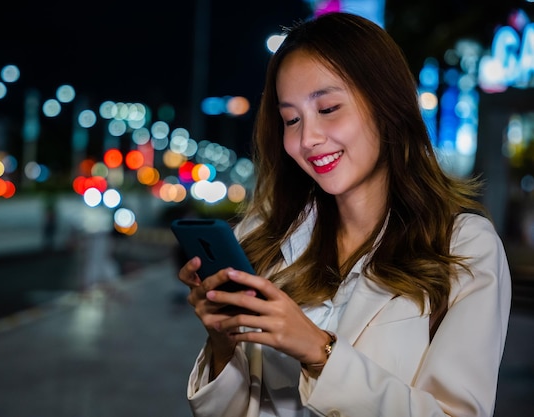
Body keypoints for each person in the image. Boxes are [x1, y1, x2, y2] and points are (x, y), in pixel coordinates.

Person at [177, 11, 512, 417]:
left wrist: (320, 352)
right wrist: (221, 343)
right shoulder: (265, 239)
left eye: (329, 108)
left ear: (386, 104)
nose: (308, 139)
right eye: (291, 119)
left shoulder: (463, 246)